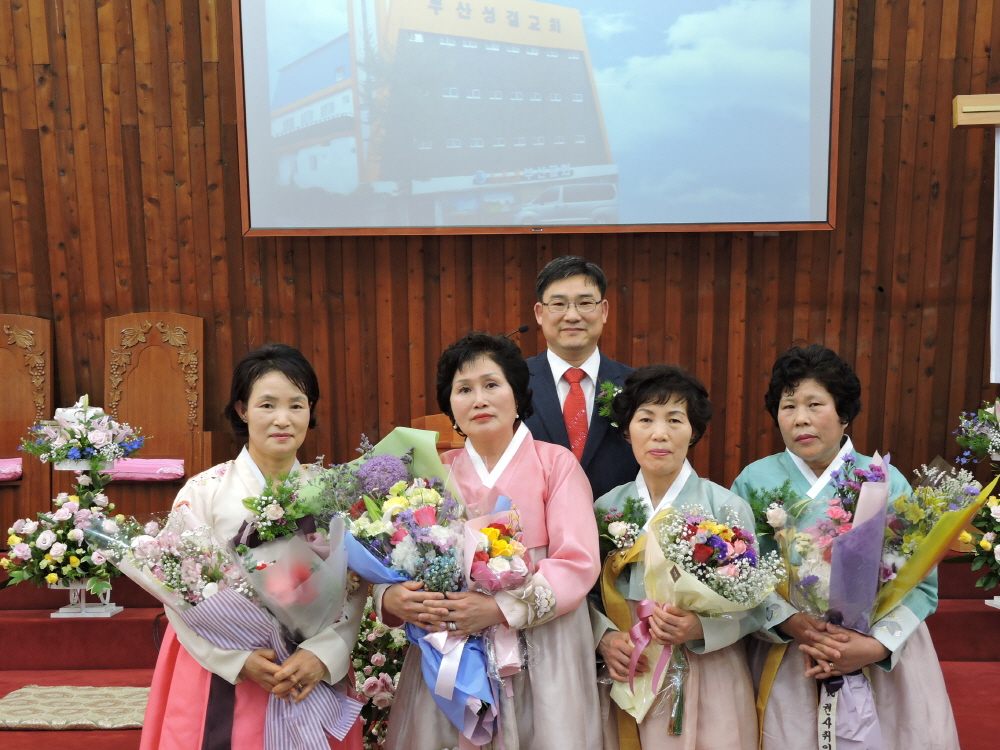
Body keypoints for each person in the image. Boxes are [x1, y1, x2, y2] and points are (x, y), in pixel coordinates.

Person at [377, 332, 602, 750]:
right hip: (449, 647)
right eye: (464, 389)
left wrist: (499, 608)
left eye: (491, 384)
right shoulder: (433, 475)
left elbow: (577, 562)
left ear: (518, 396)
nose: (478, 399)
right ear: (451, 408)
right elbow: (389, 558)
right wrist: (390, 597)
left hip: (540, 644)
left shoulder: (555, 464)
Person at [731, 344, 958, 750]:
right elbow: (741, 573)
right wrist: (790, 621)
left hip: (872, 655)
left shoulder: (883, 479)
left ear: (843, 412)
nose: (800, 418)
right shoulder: (754, 481)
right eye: (787, 406)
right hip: (793, 650)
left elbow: (919, 584)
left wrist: (874, 646)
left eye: (814, 404)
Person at [140, 344, 365, 750]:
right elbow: (176, 589)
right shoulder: (204, 492)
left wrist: (325, 652)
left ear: (310, 411)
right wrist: (235, 660)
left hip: (309, 671)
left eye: (296, 405)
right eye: (267, 405)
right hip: (225, 672)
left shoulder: (332, 492)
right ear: (242, 410)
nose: (283, 419)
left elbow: (353, 584)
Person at [591, 364, 760, 750]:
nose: (659, 433)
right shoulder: (606, 509)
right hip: (630, 663)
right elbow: (586, 594)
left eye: (674, 420)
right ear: (627, 430)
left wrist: (702, 627)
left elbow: (757, 603)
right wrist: (604, 637)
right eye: (645, 419)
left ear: (693, 431)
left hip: (707, 665)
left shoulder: (724, 506)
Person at [526, 255, 639, 500]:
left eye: (585, 303)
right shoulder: (512, 384)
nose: (572, 316)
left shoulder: (637, 387)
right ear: (539, 313)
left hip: (619, 520)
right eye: (558, 304)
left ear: (604, 310)